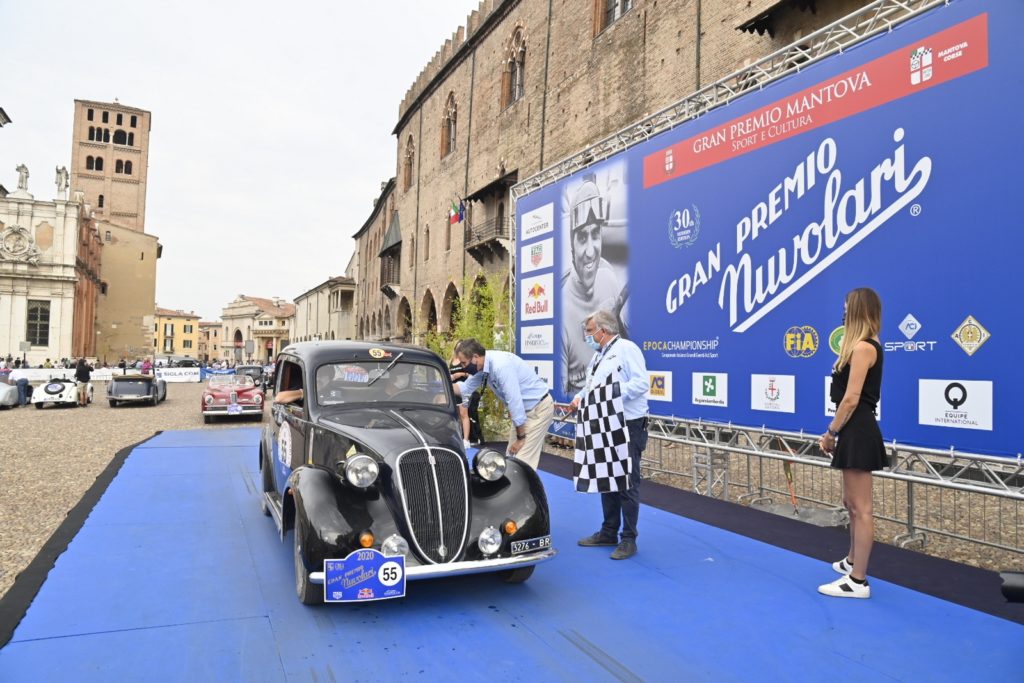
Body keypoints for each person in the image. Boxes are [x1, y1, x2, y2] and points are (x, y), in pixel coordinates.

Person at [818, 287, 886, 599]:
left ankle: (858, 581)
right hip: (854, 431)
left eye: (847, 308)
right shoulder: (859, 347)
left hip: (857, 430)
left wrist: (831, 432)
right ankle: (851, 561)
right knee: (850, 504)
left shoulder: (863, 348)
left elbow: (851, 399)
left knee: (861, 509)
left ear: (858, 310)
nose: (843, 313)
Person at [571, 310, 649, 560]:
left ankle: (629, 538)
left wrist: (610, 394)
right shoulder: (598, 357)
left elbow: (641, 383)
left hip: (627, 423)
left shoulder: (627, 349)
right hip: (604, 423)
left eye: (590, 331)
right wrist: (581, 397)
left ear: (603, 331)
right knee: (607, 478)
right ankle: (608, 531)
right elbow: (591, 387)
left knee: (626, 481)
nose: (588, 336)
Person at [561, 173, 624, 397]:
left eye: (595, 234)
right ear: (571, 245)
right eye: (581, 238)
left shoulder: (609, 278)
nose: (590, 251)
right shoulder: (561, 312)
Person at [454, 339, 553, 469]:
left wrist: (521, 438)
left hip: (538, 409)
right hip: (524, 412)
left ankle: (529, 488)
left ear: (475, 357)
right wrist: (440, 385)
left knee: (522, 464)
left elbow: (514, 401)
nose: (463, 367)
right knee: (511, 459)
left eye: (464, 363)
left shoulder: (500, 365)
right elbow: (464, 388)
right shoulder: (483, 367)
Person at [450, 356, 483, 444]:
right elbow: (449, 376)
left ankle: (466, 440)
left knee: (464, 414)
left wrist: (461, 374)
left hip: (465, 391)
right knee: (456, 416)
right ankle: (459, 436)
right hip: (454, 390)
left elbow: (472, 374)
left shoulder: (469, 361)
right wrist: (453, 377)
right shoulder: (452, 360)